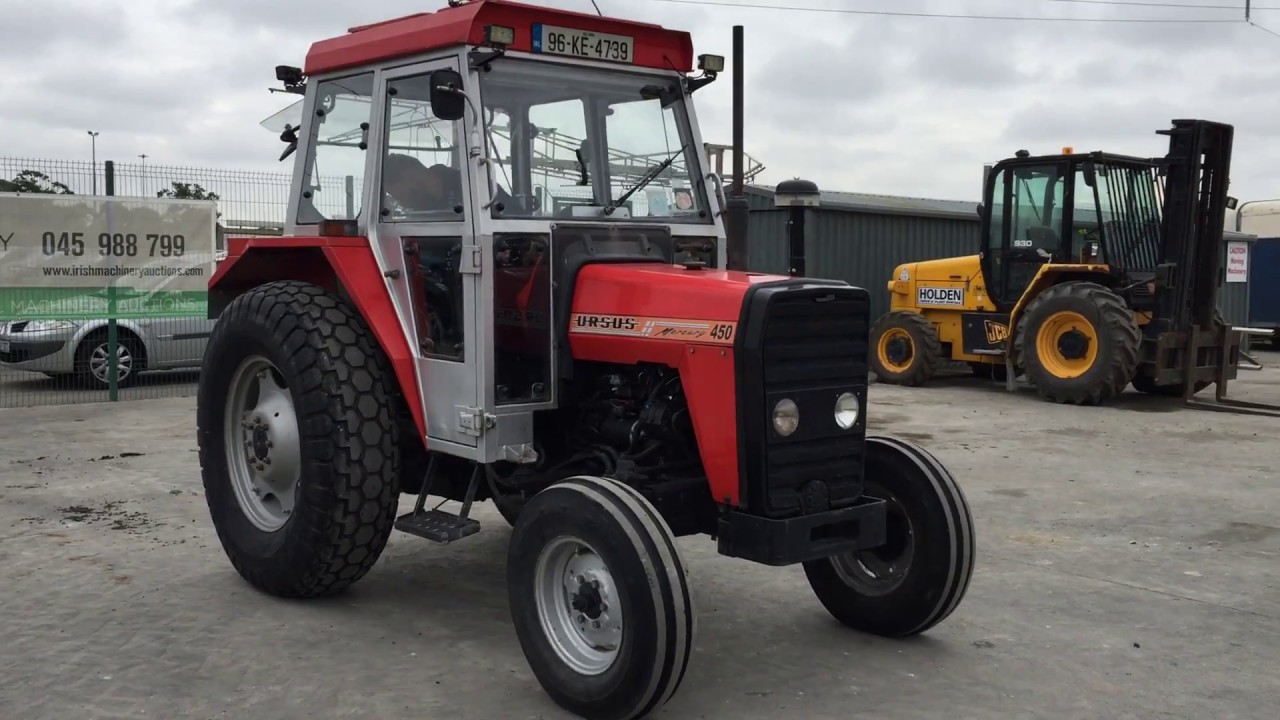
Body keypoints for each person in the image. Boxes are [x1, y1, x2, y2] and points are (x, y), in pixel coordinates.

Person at [382, 153, 462, 214]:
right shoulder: (423, 214)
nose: (404, 204)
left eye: (401, 197)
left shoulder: (465, 182)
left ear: (412, 180)